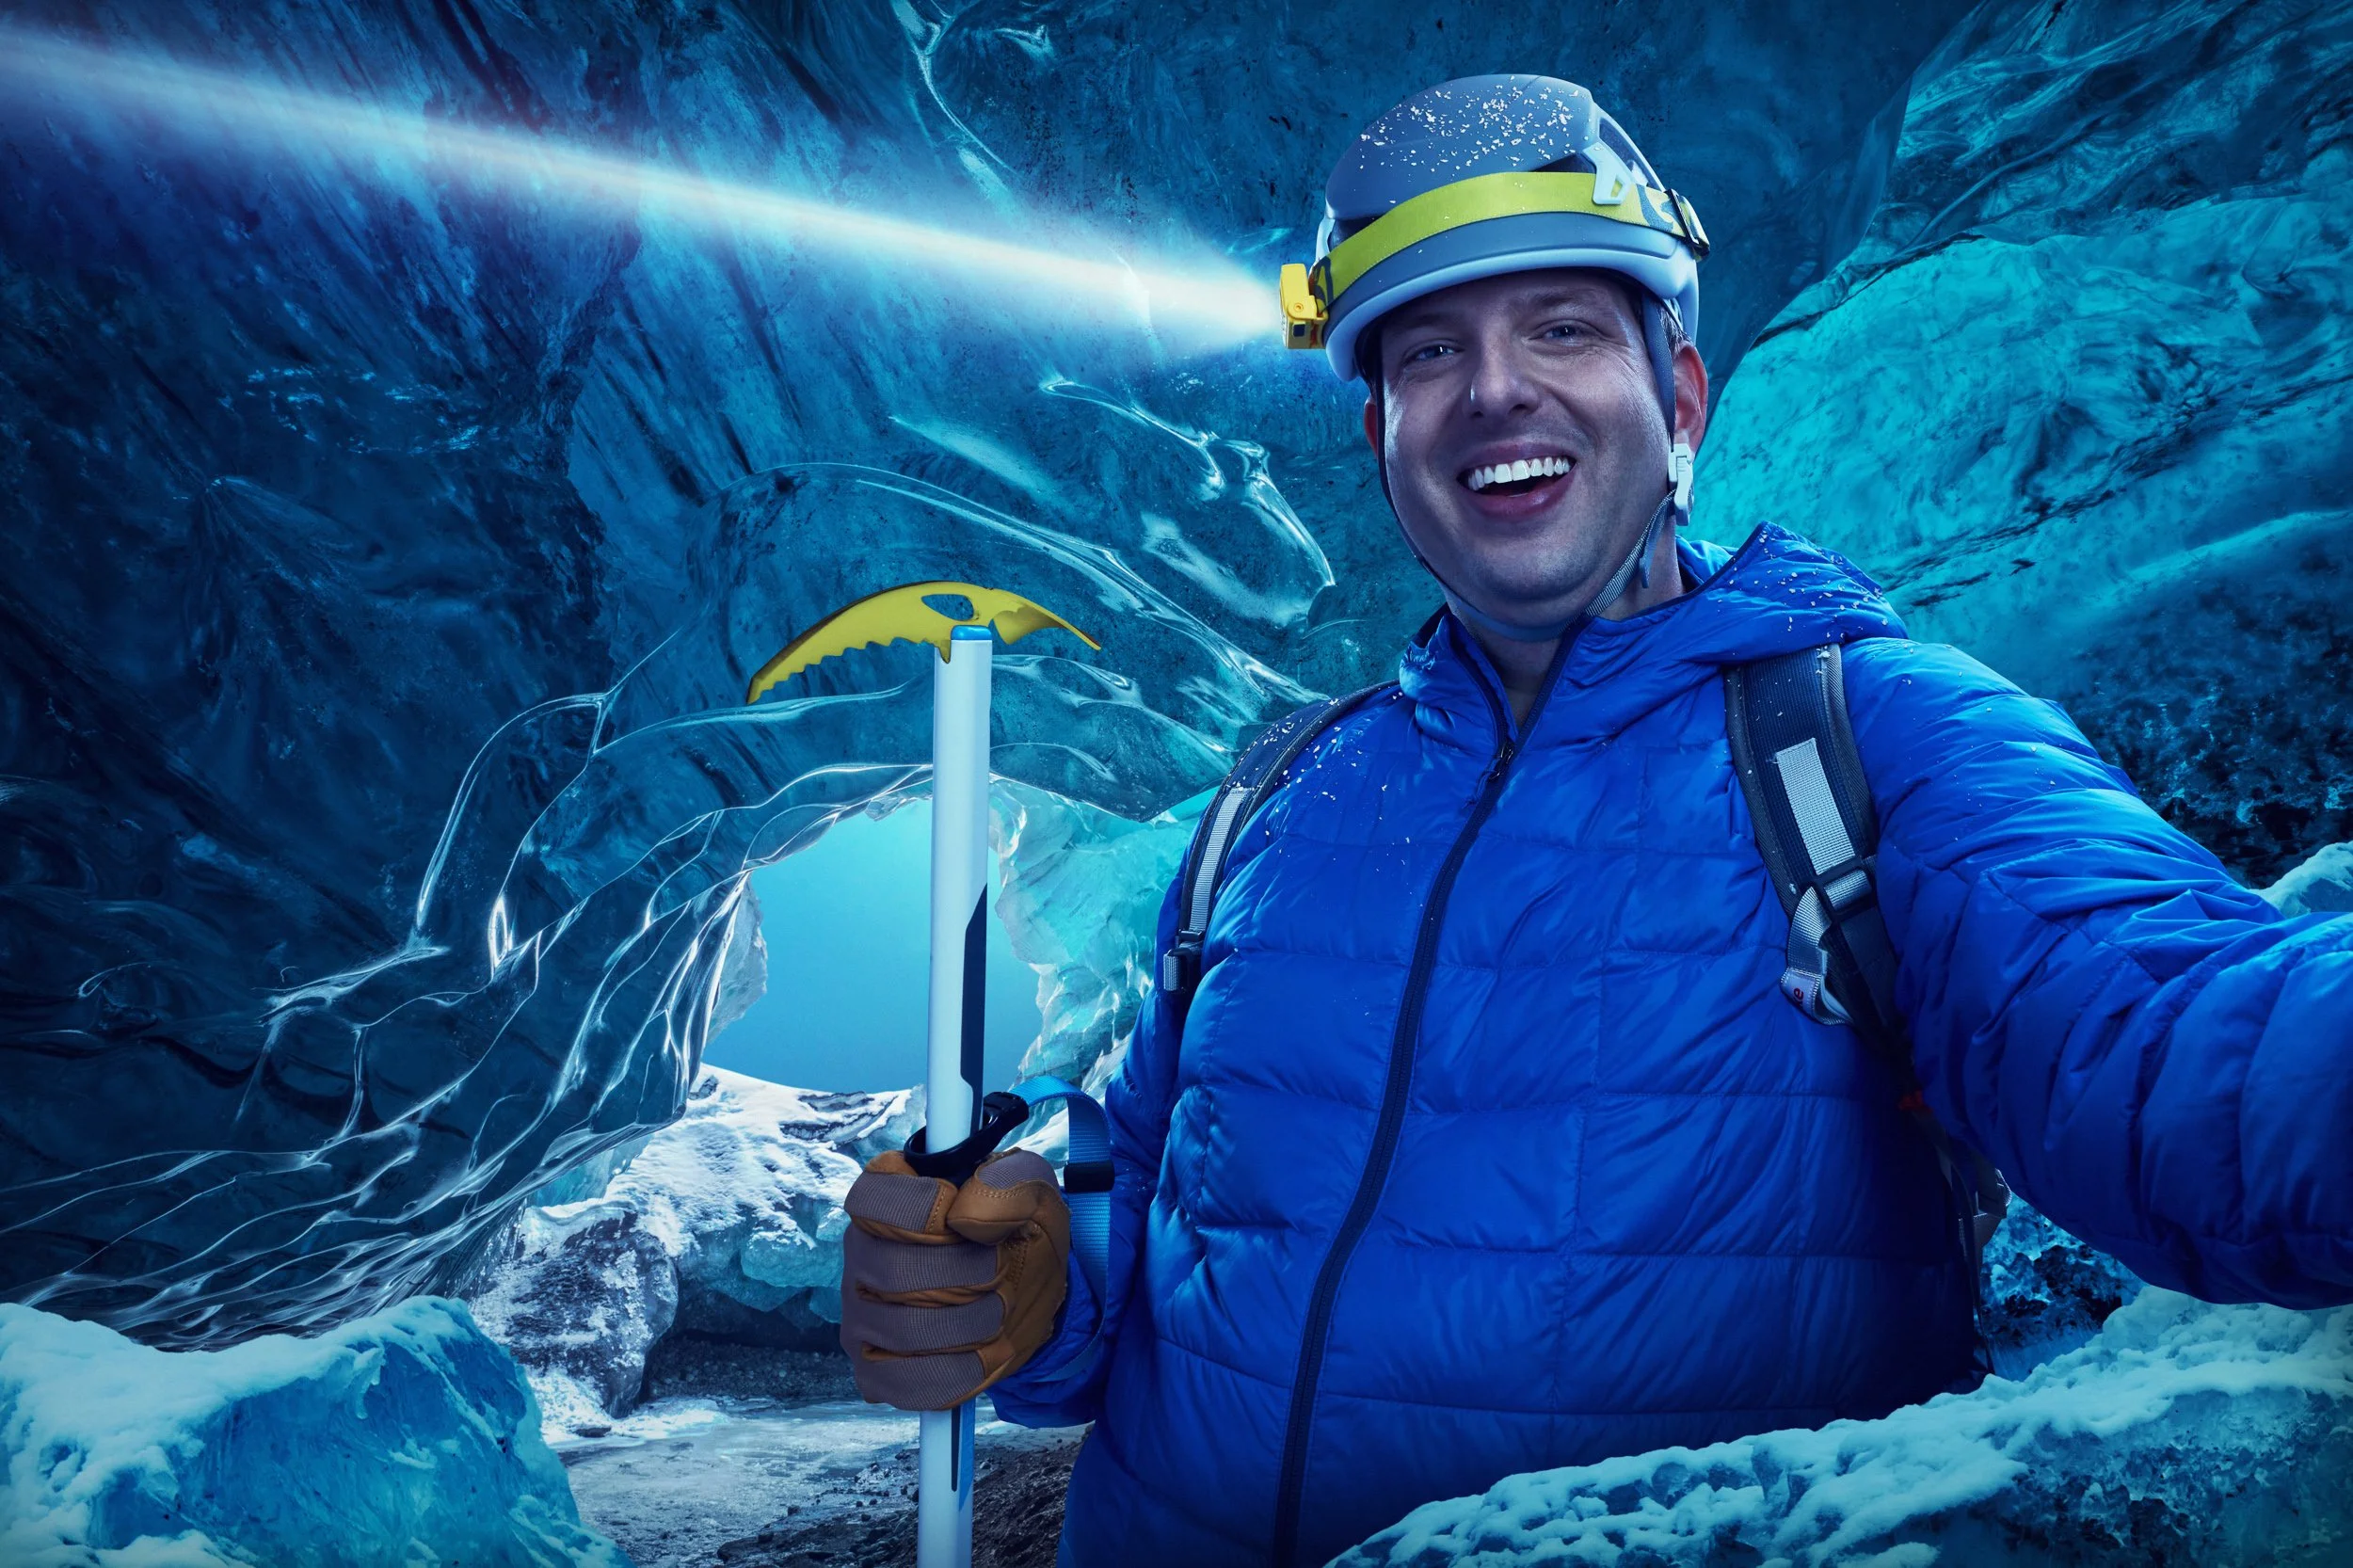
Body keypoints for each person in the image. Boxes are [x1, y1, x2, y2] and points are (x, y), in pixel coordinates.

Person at [836, 75, 2353, 1568]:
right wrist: (1020, 1270)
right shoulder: (1273, 806)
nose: (1494, 388)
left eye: (1561, 326)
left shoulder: (1861, 739)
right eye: (1430, 349)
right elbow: (1147, 1215)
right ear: (1381, 438)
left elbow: (2171, 1042)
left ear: (1679, 400)